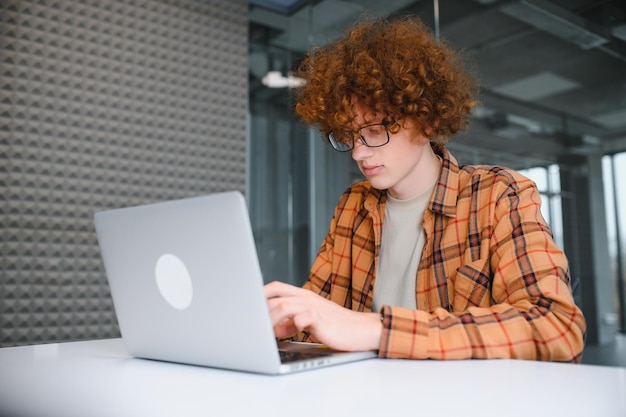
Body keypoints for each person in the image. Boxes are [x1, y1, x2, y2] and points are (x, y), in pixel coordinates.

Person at [264, 15, 586, 362]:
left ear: (426, 119)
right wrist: (287, 318)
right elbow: (325, 317)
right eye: (350, 136)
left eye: (374, 131)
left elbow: (555, 325)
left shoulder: (497, 194)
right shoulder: (354, 205)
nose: (358, 152)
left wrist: (379, 329)